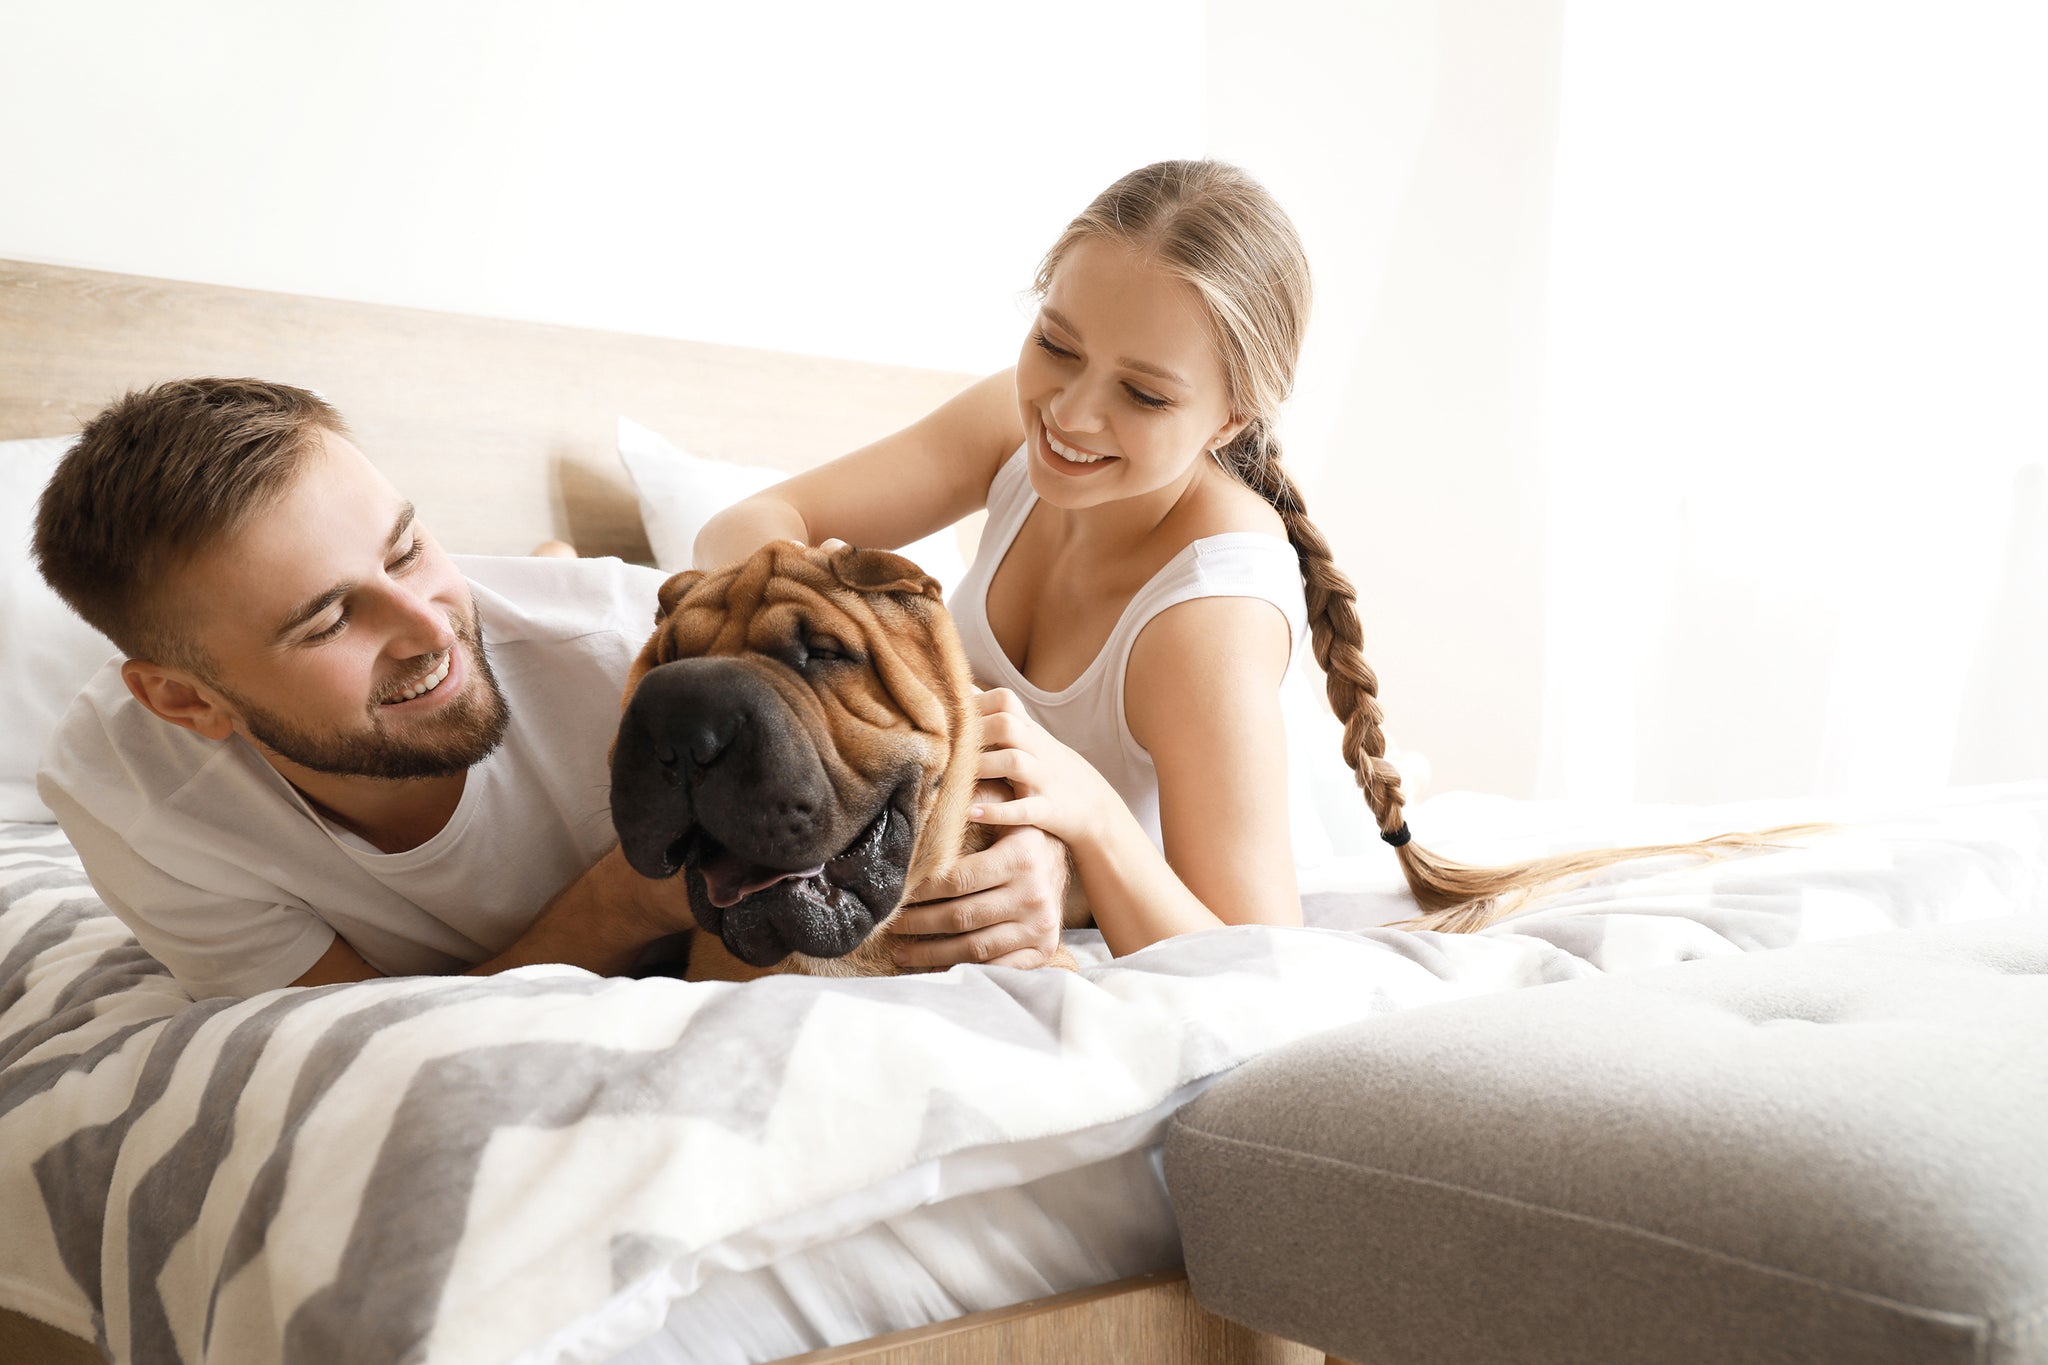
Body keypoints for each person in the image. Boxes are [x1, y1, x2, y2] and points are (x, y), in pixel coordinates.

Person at [698, 159, 1782, 958]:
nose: (1069, 412)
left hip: (1245, 837)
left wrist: (1083, 820)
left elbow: (1257, 956)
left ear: (1229, 420)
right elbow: (748, 522)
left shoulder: (1202, 614)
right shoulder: (1013, 427)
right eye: (1056, 345)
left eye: (1143, 392)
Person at [31, 379, 1071, 999]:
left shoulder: (635, 652)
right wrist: (617, 903)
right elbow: (365, 1044)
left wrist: (1037, 865)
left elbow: (918, 740)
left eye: (406, 553)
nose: (427, 627)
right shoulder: (132, 801)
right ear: (183, 701)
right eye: (328, 619)